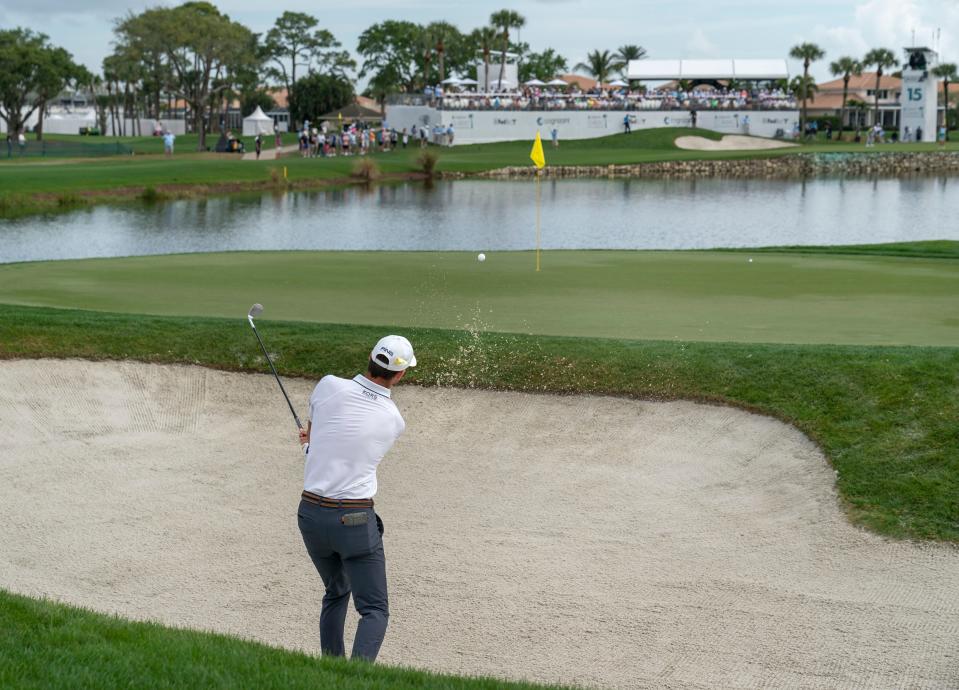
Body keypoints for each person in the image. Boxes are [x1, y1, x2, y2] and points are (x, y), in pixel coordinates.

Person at [296, 335, 416, 663]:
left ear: (370, 356)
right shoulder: (394, 420)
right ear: (401, 374)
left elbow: (319, 442)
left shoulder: (327, 385)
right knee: (374, 609)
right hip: (354, 520)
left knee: (336, 591)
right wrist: (314, 442)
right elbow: (350, 449)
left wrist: (310, 444)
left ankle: (331, 669)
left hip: (310, 515)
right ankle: (354, 680)